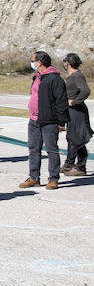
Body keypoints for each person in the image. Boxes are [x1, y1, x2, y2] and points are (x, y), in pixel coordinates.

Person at [21, 51, 68, 191]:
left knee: (51, 150)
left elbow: (61, 101)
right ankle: (34, 178)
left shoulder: (55, 79)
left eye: (33, 60)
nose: (32, 63)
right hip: (34, 119)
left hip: (49, 120)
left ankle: (53, 179)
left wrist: (61, 122)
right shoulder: (37, 77)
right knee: (33, 149)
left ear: (40, 62)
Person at [62, 53, 90, 177]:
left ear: (67, 63)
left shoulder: (77, 76)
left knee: (77, 138)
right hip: (71, 111)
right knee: (71, 137)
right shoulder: (72, 76)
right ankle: (69, 163)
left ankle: (80, 167)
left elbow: (86, 91)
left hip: (77, 111)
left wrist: (73, 101)